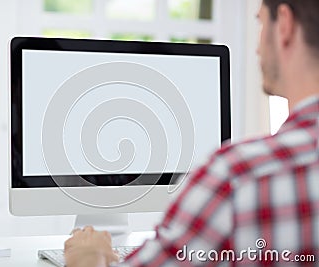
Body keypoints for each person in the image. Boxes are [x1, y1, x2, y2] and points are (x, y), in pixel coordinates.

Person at [64, 0, 319, 266]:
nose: (256, 47)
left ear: (285, 25)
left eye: (261, 22)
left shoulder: (239, 177)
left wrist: (87, 257)